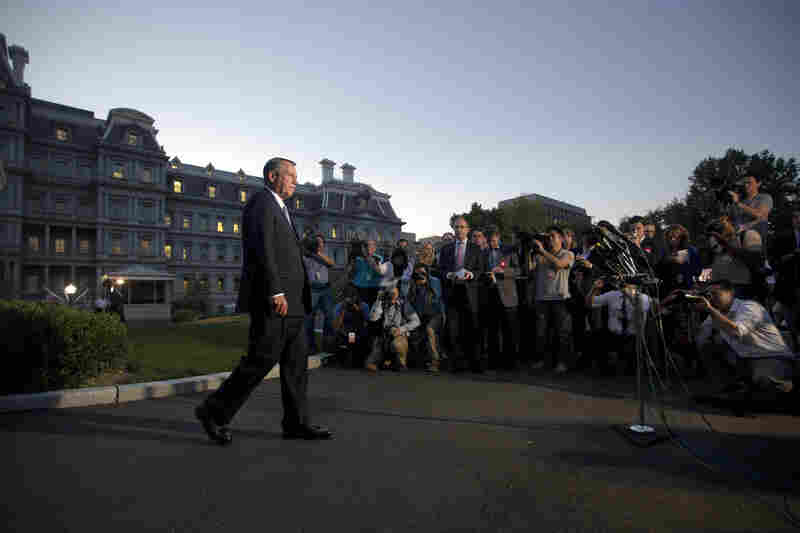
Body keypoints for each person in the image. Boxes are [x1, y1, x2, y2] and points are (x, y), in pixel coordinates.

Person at [195, 157, 332, 445]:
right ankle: (213, 412)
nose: (295, 180)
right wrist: (275, 291)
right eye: (290, 175)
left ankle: (296, 423)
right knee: (259, 361)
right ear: (272, 176)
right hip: (276, 302)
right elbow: (262, 249)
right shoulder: (261, 203)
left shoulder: (281, 208)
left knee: (296, 367)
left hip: (295, 304)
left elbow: (286, 251)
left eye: (296, 175)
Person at [693, 279, 795, 393]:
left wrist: (710, 309)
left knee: (763, 381)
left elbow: (737, 331)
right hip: (746, 358)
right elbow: (700, 338)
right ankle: (732, 388)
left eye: (716, 294)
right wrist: (691, 311)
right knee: (708, 345)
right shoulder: (716, 313)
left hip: (771, 356)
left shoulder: (749, 307)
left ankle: (788, 389)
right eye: (708, 295)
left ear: (731, 293)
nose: (712, 298)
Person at [438, 216, 485, 372]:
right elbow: (441, 270)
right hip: (452, 293)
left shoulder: (476, 248)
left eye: (462, 227)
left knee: (472, 328)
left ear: (468, 229)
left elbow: (481, 270)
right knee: (454, 329)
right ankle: (457, 363)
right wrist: (448, 275)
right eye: (456, 227)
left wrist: (471, 275)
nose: (459, 230)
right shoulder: (446, 249)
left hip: (470, 293)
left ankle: (475, 363)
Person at [530, 226, 575, 374]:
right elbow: (529, 270)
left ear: (561, 238)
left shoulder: (568, 254)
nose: (550, 239)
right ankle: (542, 360)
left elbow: (559, 264)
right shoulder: (540, 255)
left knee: (562, 333)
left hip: (560, 299)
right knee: (541, 333)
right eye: (548, 236)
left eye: (553, 236)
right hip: (542, 299)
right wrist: (529, 252)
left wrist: (542, 251)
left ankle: (562, 362)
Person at [586, 278, 652, 376]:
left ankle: (631, 367)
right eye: (625, 284)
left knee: (632, 367)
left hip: (632, 336)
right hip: (613, 334)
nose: (626, 287)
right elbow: (589, 303)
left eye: (630, 285)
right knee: (596, 336)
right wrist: (594, 289)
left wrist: (630, 297)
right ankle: (605, 369)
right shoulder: (613, 294)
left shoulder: (644, 298)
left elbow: (640, 312)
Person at [482, 230, 520, 370]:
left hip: (508, 296)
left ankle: (510, 362)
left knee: (509, 330)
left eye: (494, 239)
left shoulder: (509, 251)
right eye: (489, 240)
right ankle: (493, 361)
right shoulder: (484, 253)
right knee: (492, 331)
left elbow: (518, 271)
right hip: (490, 294)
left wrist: (504, 272)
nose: (492, 242)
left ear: (498, 237)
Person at [365, 284, 420, 372]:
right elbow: (373, 318)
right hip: (383, 336)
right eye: (390, 293)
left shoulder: (404, 304)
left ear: (398, 293)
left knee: (396, 345)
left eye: (394, 293)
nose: (392, 296)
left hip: (399, 336)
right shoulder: (381, 303)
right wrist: (378, 300)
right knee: (369, 364)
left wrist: (401, 329)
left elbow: (416, 321)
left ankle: (400, 363)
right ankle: (385, 361)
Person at [706, 216, 763, 301]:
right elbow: (715, 273)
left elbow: (755, 260)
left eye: (717, 234)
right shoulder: (718, 248)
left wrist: (726, 245)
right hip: (722, 296)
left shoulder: (748, 235)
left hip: (745, 294)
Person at [406, 263, 445, 372]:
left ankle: (435, 361)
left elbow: (437, 297)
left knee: (429, 330)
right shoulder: (413, 282)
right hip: (420, 315)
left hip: (435, 314)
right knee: (414, 332)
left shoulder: (434, 281)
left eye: (422, 273)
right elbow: (409, 300)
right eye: (417, 273)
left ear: (427, 273)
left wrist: (427, 284)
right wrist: (414, 286)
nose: (420, 275)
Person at [303, 234, 336, 355]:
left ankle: (328, 344)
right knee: (309, 318)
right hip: (312, 289)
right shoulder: (306, 255)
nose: (318, 244)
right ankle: (311, 346)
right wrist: (309, 252)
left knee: (329, 316)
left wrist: (317, 252)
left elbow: (331, 263)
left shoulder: (325, 254)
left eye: (320, 242)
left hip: (325, 289)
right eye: (316, 242)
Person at [332, 286, 371, 368]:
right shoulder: (339, 307)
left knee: (352, 338)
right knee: (345, 338)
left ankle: (354, 358)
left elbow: (367, 324)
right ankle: (344, 358)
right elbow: (336, 326)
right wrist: (343, 312)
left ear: (356, 297)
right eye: (348, 298)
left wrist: (358, 311)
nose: (350, 301)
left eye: (353, 298)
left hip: (359, 331)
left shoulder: (363, 306)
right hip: (344, 331)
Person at [730, 173, 773, 244]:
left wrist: (738, 204)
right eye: (744, 183)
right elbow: (733, 220)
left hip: (754, 238)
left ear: (758, 184)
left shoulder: (765, 197)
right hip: (736, 239)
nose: (746, 185)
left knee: (750, 235)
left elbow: (760, 215)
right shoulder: (739, 201)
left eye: (749, 183)